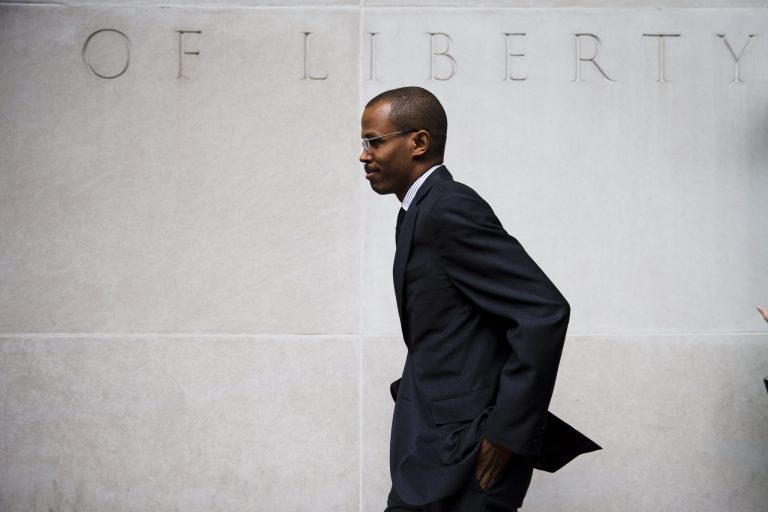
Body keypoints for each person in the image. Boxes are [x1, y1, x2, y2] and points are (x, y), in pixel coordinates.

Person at [359, 86, 600, 512]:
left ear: (418, 143)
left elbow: (543, 312)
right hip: (435, 449)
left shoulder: (449, 208)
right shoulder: (418, 212)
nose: (364, 155)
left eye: (374, 141)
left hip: (468, 455)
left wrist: (504, 434)